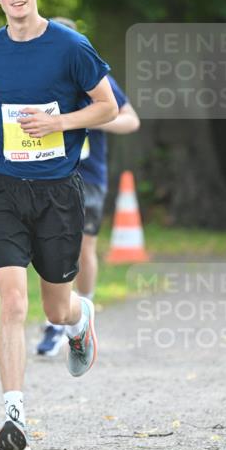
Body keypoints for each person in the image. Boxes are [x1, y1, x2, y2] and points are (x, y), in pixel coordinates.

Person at [0, 0, 118, 450]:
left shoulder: (71, 47)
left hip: (57, 192)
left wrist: (60, 124)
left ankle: (78, 318)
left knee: (54, 305)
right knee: (12, 302)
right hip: (2, 187)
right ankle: (14, 417)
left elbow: (107, 106)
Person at [37, 19, 141, 357]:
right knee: (51, 247)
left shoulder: (93, 77)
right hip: (48, 174)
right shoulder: (37, 78)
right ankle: (57, 321)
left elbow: (130, 119)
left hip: (89, 176)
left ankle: (83, 311)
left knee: (83, 247)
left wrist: (94, 117)